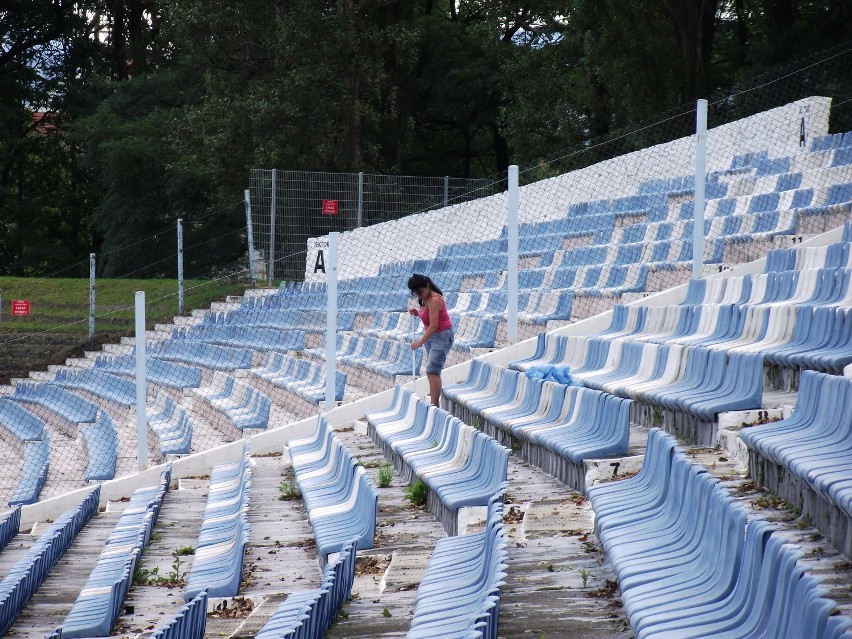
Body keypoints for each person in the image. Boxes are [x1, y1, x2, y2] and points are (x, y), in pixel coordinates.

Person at [407, 273, 454, 407]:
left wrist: (419, 343)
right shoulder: (427, 299)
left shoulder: (434, 300)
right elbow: (428, 316)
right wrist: (417, 312)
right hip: (432, 337)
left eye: (420, 291)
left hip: (441, 336)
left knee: (432, 370)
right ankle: (434, 403)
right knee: (432, 370)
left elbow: (434, 326)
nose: (419, 295)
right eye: (416, 293)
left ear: (427, 286)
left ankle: (434, 405)